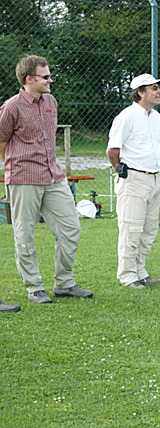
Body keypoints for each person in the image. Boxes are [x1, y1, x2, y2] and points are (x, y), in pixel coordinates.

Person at [0, 55, 93, 304]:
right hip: (23, 178)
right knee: (24, 233)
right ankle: (34, 287)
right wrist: (16, 166)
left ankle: (64, 283)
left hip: (53, 176)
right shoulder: (12, 107)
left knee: (70, 227)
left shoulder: (51, 101)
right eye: (46, 76)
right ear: (29, 79)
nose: (50, 80)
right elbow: (1, 141)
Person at [107, 73, 160, 290]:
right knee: (131, 228)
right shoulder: (127, 116)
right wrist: (121, 170)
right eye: (154, 88)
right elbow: (112, 150)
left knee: (150, 229)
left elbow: (157, 148)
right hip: (134, 178)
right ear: (140, 92)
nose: (159, 91)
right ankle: (127, 274)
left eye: (158, 88)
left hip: (155, 177)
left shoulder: (156, 117)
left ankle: (140, 270)